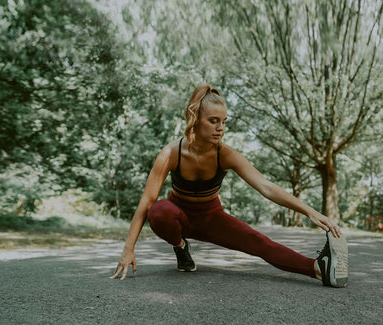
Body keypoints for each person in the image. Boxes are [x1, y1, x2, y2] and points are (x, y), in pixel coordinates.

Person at [110, 84, 348, 287]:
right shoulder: (170, 154)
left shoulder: (225, 154)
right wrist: (128, 249)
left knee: (259, 242)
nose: (220, 128)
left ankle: (320, 268)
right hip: (178, 215)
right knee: (159, 211)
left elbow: (266, 186)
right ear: (195, 120)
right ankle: (181, 247)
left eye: (224, 121)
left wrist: (310, 212)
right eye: (213, 121)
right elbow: (146, 202)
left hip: (212, 217)